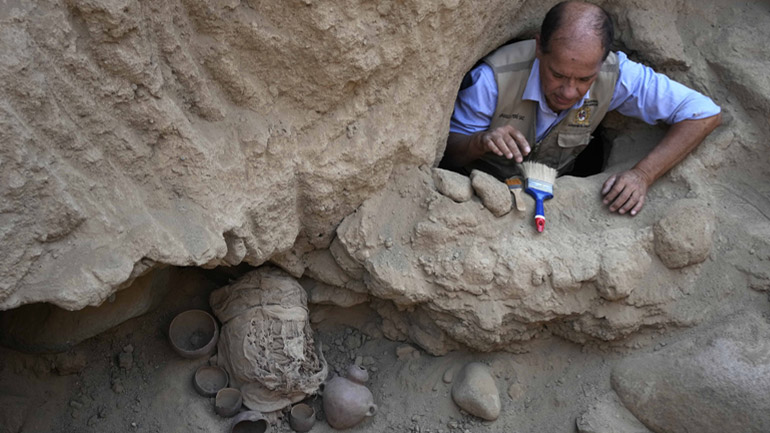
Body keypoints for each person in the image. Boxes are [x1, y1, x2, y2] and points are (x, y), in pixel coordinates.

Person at [442, 1, 721, 216]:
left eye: (585, 79)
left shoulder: (615, 74)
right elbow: (449, 152)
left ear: (602, 61)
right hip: (480, 201)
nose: (568, 91)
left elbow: (703, 113)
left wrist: (642, 175)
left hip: (555, 200)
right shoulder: (493, 78)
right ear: (539, 47)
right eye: (557, 74)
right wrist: (480, 141)